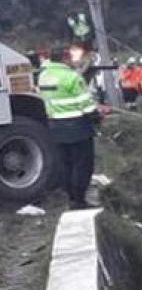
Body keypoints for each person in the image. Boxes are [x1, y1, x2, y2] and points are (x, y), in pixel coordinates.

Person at [38, 46, 102, 210]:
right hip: (77, 127)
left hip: (55, 127)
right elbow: (86, 104)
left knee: (66, 164)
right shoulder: (72, 77)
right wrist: (96, 115)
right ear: (65, 59)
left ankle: (71, 197)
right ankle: (80, 200)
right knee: (82, 164)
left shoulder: (44, 75)